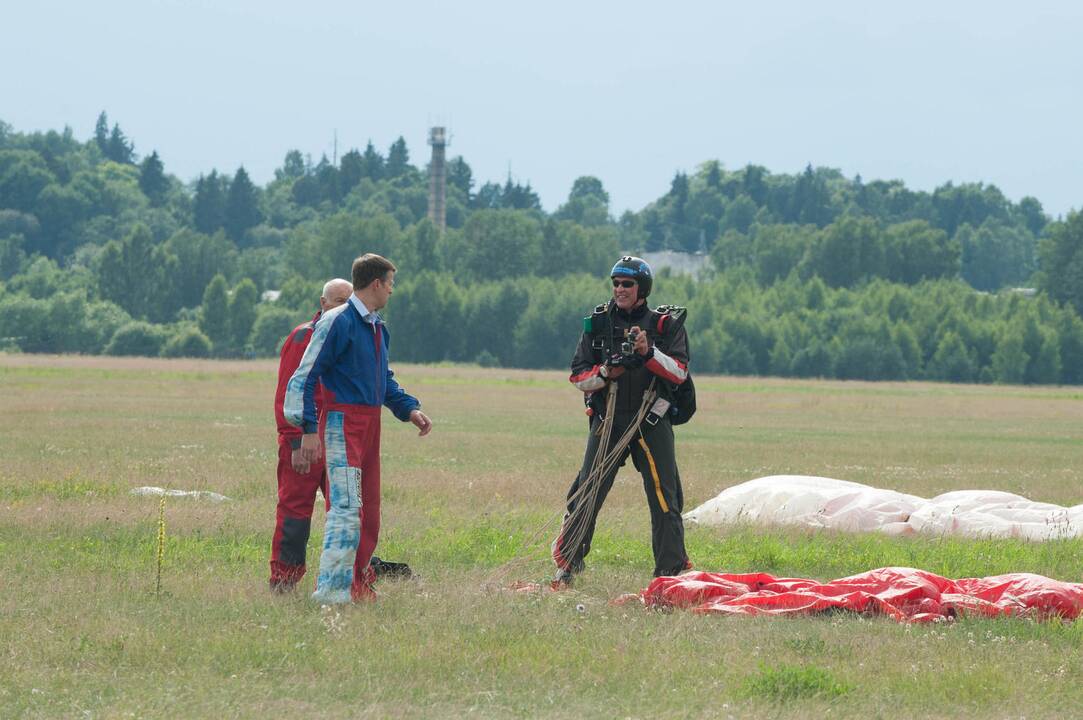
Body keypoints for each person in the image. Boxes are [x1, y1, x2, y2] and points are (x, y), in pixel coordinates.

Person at [285, 254, 432, 603]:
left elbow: (383, 380)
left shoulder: (379, 327)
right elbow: (304, 377)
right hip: (340, 425)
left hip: (370, 425)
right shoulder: (336, 321)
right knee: (347, 507)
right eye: (391, 283)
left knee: (370, 512)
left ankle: (358, 584)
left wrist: (408, 408)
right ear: (377, 284)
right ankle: (332, 592)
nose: (392, 291)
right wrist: (307, 429)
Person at [552, 256, 691, 586]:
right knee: (588, 490)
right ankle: (568, 562)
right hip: (608, 419)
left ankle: (669, 573)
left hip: (650, 421)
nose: (620, 289)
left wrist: (647, 353)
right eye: (615, 283)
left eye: (627, 284)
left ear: (642, 288)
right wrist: (605, 372)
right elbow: (577, 376)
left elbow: (679, 372)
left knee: (664, 496)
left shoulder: (665, 326)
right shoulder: (598, 325)